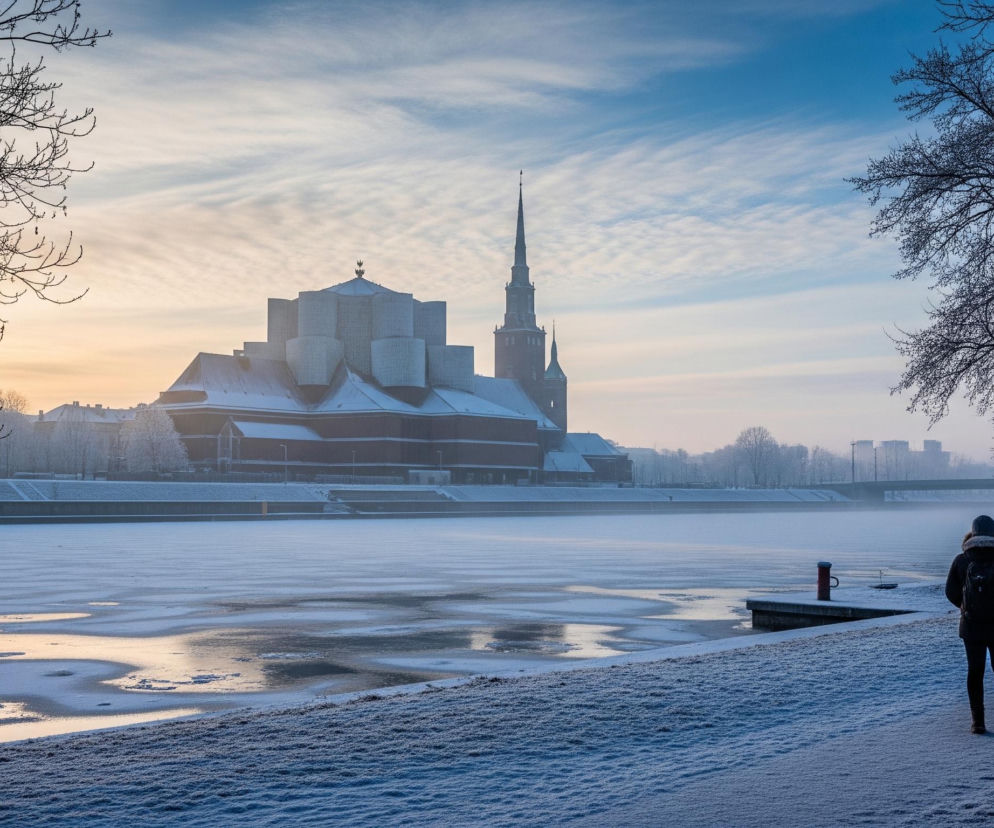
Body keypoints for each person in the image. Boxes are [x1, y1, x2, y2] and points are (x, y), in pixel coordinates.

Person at [946, 515, 994, 734]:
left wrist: (965, 607)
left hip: (971, 626)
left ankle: (978, 722)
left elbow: (951, 592)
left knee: (975, 672)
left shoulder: (961, 559)